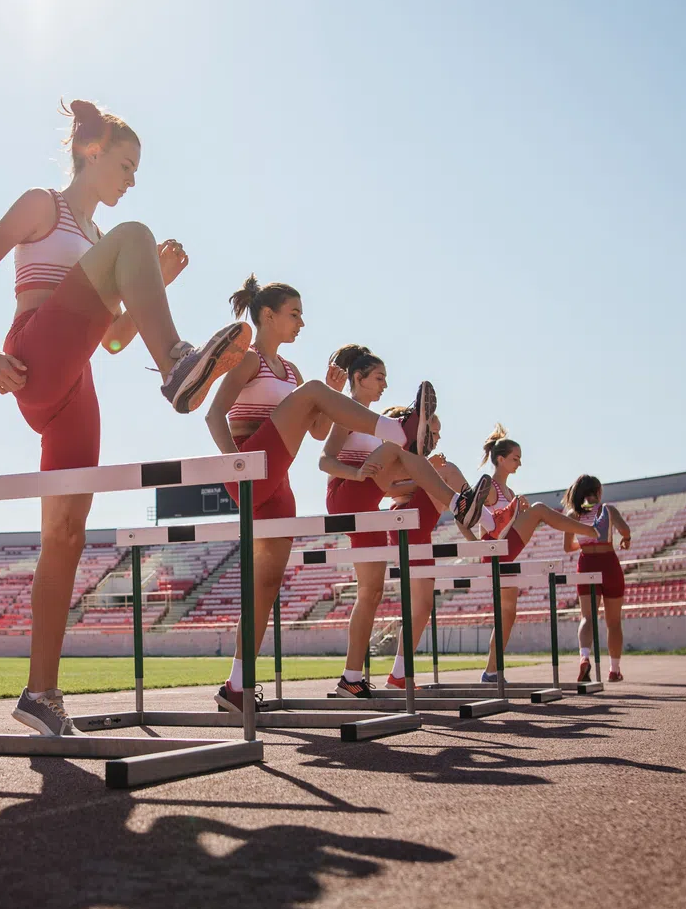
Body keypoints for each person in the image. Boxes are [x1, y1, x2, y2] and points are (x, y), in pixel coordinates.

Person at [0, 99, 251, 737]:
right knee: (138, 234)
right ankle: (176, 362)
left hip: (76, 383)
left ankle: (40, 694)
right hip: (33, 352)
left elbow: (111, 340)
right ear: (93, 153)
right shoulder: (44, 206)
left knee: (66, 534)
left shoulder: (97, 242)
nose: (132, 178)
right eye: (126, 164)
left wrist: (154, 286)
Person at [203, 279, 465, 714]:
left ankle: (236, 685)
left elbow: (318, 433)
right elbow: (214, 415)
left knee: (265, 588)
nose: (302, 322)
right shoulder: (250, 361)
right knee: (315, 397)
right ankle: (399, 430)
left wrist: (323, 395)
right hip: (249, 466)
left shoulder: (292, 373)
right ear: (267, 315)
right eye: (295, 313)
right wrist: (236, 465)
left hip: (278, 484)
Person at [319, 347, 477, 698]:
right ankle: (455, 499)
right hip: (344, 496)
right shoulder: (347, 414)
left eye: (387, 379)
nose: (385, 385)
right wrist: (356, 473)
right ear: (357, 379)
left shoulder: (376, 427)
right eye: (379, 378)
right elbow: (324, 461)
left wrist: (422, 474)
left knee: (371, 594)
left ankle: (350, 677)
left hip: (371, 506)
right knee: (398, 449)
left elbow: (389, 484)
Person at [470, 426, 601, 684]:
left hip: (506, 553)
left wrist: (520, 513)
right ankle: (587, 529)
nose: (520, 463)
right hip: (495, 549)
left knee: (507, 614)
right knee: (540, 509)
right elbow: (467, 516)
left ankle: (491, 672)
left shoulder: (509, 494)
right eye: (515, 458)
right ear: (500, 459)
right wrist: (474, 546)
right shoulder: (490, 487)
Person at [561, 474, 631, 683]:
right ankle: (614, 669)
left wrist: (582, 543)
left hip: (587, 564)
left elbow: (567, 547)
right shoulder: (607, 510)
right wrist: (626, 539)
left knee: (587, 617)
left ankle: (584, 657)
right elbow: (625, 530)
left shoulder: (573, 514)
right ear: (598, 491)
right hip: (608, 563)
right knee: (613, 622)